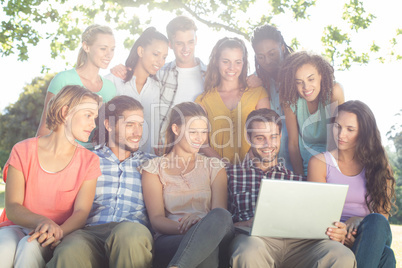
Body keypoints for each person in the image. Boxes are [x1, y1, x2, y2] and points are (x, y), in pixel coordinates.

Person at [228, 108, 356, 268]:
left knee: (340, 255)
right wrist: (246, 223)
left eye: (273, 137)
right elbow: (219, 223)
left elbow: (319, 218)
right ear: (248, 138)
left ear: (280, 136)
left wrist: (337, 230)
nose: (268, 144)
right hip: (254, 240)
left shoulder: (299, 180)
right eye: (260, 138)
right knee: (248, 251)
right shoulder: (230, 175)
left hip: (300, 245)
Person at [47, 96, 155, 268]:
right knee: (70, 250)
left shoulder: (152, 164)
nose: (138, 132)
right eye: (130, 124)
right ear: (109, 125)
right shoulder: (87, 158)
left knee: (129, 235)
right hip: (90, 232)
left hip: (132, 229)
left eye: (140, 124)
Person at [0, 85, 102, 267]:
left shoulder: (89, 160)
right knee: (4, 248)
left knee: (29, 247)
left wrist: (56, 232)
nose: (93, 124)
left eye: (95, 118)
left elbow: (81, 213)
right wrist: (42, 221)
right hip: (16, 226)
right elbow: (13, 207)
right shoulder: (22, 150)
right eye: (88, 115)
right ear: (65, 112)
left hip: (57, 233)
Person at [141, 102, 234, 268]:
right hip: (171, 237)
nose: (200, 138)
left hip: (212, 231)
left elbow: (219, 215)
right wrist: (190, 228)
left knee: (221, 216)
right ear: (176, 129)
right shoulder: (153, 168)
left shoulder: (214, 167)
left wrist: (200, 224)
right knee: (207, 248)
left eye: (204, 132)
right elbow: (157, 220)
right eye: (193, 132)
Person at [307, 100, 397, 268]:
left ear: (364, 133)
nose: (341, 135)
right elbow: (317, 215)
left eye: (350, 129)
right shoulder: (320, 163)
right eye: (337, 127)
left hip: (371, 233)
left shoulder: (380, 166)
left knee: (376, 221)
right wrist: (341, 234)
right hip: (332, 234)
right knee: (387, 256)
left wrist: (358, 221)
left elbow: (382, 218)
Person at [110, 16, 207, 154]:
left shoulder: (210, 76)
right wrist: (119, 70)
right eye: (179, 43)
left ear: (196, 40)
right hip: (162, 153)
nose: (186, 48)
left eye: (190, 42)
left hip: (198, 153)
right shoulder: (159, 74)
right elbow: (139, 72)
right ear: (171, 44)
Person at [37, 24, 116, 148]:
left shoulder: (110, 88)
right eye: (103, 48)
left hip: (98, 159)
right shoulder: (63, 79)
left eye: (112, 49)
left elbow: (111, 130)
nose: (109, 54)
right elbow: (46, 127)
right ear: (86, 46)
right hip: (63, 155)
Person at [195, 37, 270, 165]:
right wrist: (227, 167)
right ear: (216, 62)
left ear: (244, 63)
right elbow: (202, 143)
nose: (232, 67)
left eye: (237, 62)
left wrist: (244, 167)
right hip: (216, 171)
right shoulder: (203, 100)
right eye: (226, 61)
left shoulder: (258, 93)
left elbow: (266, 134)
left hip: (253, 168)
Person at [279, 51, 345, 175]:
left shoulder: (334, 92)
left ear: (321, 75)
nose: (306, 87)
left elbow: (338, 138)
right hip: (306, 167)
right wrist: (300, 178)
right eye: (299, 82)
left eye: (311, 79)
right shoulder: (290, 100)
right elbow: (293, 144)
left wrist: (332, 174)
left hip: (334, 165)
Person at [105, 27, 169, 155]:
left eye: (164, 57)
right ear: (141, 51)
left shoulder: (157, 88)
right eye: (156, 54)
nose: (160, 62)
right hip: (115, 162)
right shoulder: (114, 81)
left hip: (146, 162)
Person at [249, 24, 294, 170]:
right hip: (270, 164)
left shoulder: (299, 76)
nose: (267, 61)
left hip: (301, 159)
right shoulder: (256, 81)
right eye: (260, 57)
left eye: (272, 54)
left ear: (282, 47)